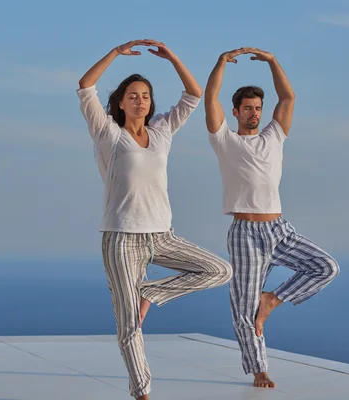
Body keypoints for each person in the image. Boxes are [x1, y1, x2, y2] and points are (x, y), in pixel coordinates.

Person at [77, 39, 233, 400]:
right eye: (132, 95)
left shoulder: (162, 131)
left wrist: (173, 58)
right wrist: (115, 52)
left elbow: (193, 95)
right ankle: (142, 392)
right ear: (119, 102)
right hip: (121, 238)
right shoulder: (108, 135)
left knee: (219, 271)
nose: (140, 100)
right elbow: (85, 87)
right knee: (129, 324)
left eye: (145, 94)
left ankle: (150, 292)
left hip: (162, 235)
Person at [204, 47, 340, 388]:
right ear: (236, 111)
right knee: (242, 309)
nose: (254, 113)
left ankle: (273, 299)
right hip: (244, 233)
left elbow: (288, 96)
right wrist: (221, 63)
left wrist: (273, 62)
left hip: (279, 229)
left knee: (326, 266)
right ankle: (259, 370)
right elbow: (211, 96)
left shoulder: (274, 136)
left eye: (258, 108)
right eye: (248, 108)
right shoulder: (225, 140)